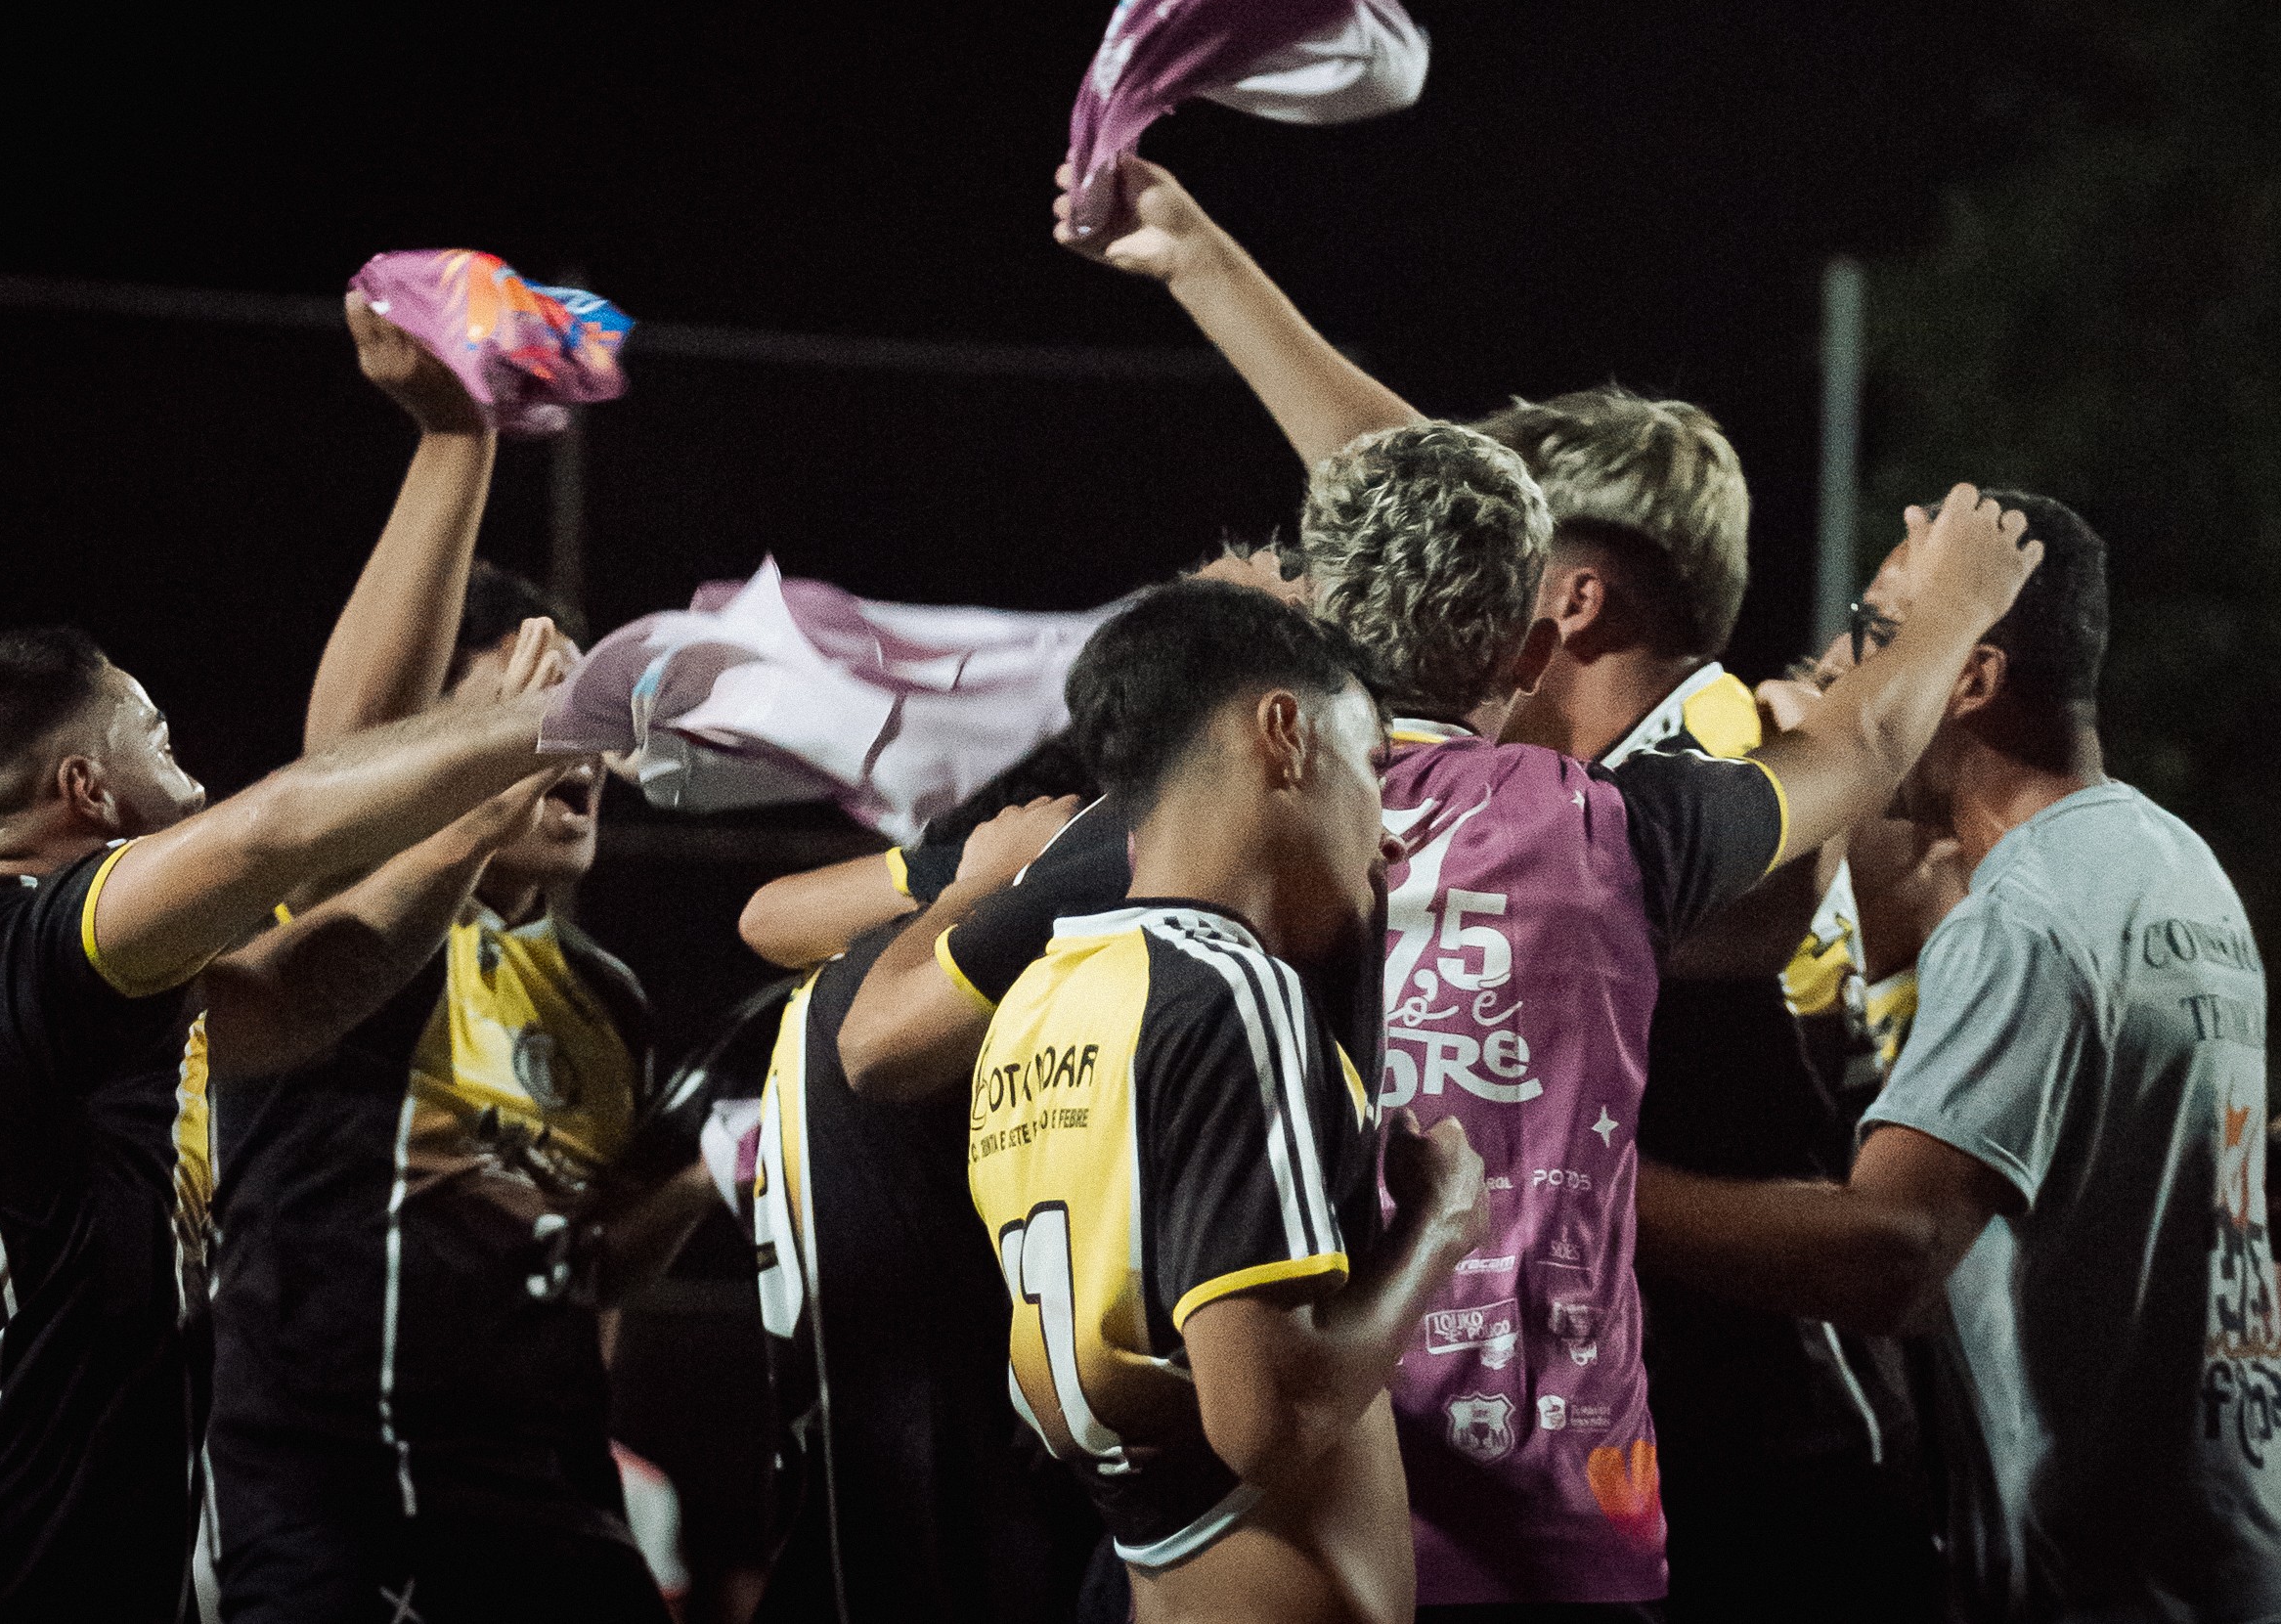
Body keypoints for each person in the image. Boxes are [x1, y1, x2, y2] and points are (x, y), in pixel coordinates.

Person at [856, 434, 2038, 1619]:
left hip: (1252, 1537)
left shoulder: (1170, 832)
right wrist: (1958, 606)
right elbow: (1864, 745)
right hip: (1541, 1533)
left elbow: (878, 1044)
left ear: (1311, 615)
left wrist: (976, 881)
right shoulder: (1608, 832)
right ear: (1530, 656)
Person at [1053, 151, 1916, 1614]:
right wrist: (1198, 256)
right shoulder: (1432, 776)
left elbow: (1430, 523)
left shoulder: (1693, 744)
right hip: (1457, 1466)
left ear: (1562, 602)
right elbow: (1417, 519)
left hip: (1721, 1458)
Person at [0, 615, 581, 1621]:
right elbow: (275, 829)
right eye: (155, 738)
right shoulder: (48, 935)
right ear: (87, 789)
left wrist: (473, 826)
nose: (192, 778)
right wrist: (549, 719)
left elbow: (298, 997)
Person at [1635, 489, 2281, 1623]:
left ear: (1968, 677)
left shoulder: (2026, 917)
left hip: (2136, 1594)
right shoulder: (2169, 858)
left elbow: (1894, 1254)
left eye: (1879, 638)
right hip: (2243, 1560)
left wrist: (1585, 1190)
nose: (1839, 669)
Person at [207, 298, 725, 1624]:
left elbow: (592, 1265)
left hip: (549, 1500)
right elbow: (345, 768)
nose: (578, 752)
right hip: (337, 1500)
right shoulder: (357, 929)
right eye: (530, 713)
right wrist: (461, 431)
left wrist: (726, 1140)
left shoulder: (604, 1001)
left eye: (589, 718)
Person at [961, 579, 1492, 1623]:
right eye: (1373, 766)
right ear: (1286, 735)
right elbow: (1270, 1417)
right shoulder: (1229, 993)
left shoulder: (1044, 996)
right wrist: (1441, 1224)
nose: (1383, 823)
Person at [747, 776, 1101, 1623]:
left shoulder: (835, 980)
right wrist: (987, 880)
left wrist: (968, 876)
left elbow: (763, 916)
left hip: (838, 1455)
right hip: (946, 1457)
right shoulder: (943, 999)